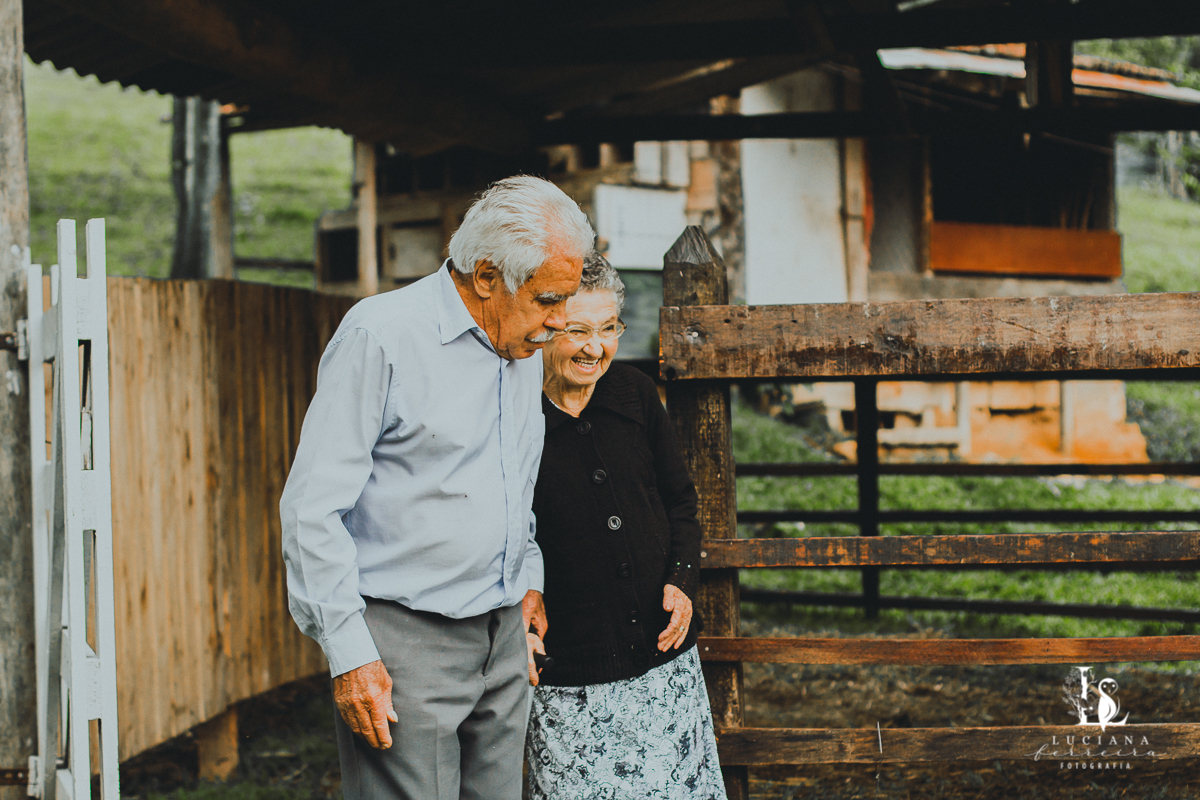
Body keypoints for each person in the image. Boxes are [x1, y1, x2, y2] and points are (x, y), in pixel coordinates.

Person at [280, 176, 595, 800]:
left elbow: (512, 479)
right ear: (486, 277)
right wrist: (350, 654)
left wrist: (526, 575)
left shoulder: (524, 344)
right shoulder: (382, 336)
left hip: (503, 636)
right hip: (404, 641)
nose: (561, 322)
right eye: (548, 299)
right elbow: (313, 509)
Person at [526, 252, 727, 799]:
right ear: (546, 328)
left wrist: (681, 581)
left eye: (609, 328)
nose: (597, 347)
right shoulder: (515, 412)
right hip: (571, 670)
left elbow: (681, 503)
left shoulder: (635, 394)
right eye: (578, 331)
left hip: (662, 661)